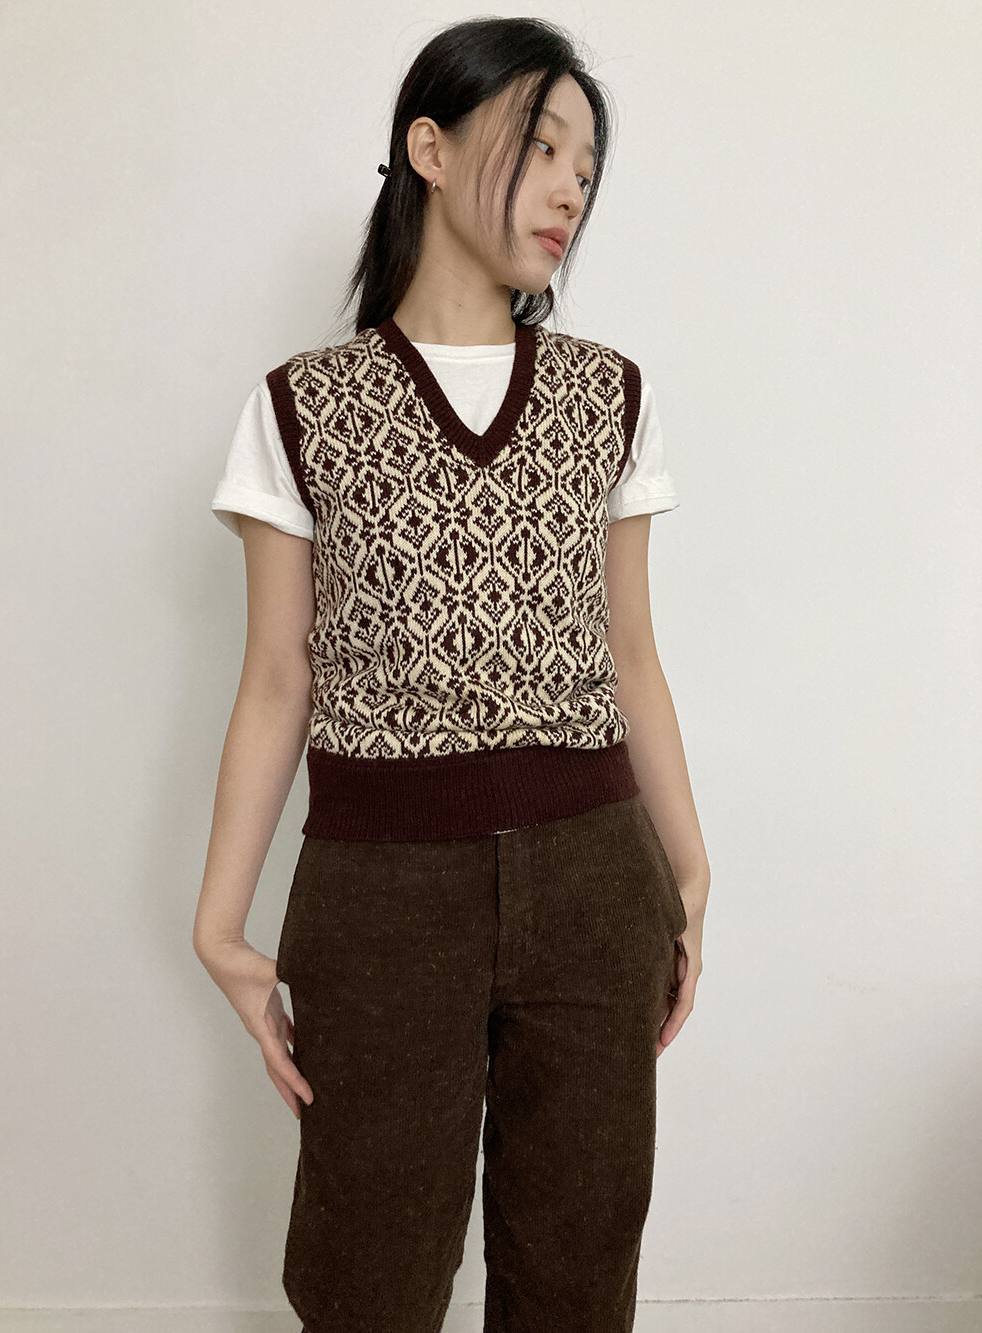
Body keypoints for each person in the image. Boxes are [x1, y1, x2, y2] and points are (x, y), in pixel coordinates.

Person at [193, 16, 710, 1333]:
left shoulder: (610, 396)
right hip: (379, 893)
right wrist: (221, 923)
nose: (570, 187)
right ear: (428, 147)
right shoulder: (303, 406)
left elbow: (632, 652)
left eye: (587, 166)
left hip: (597, 877)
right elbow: (277, 675)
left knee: (578, 1270)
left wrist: (689, 868)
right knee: (366, 1273)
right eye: (541, 145)